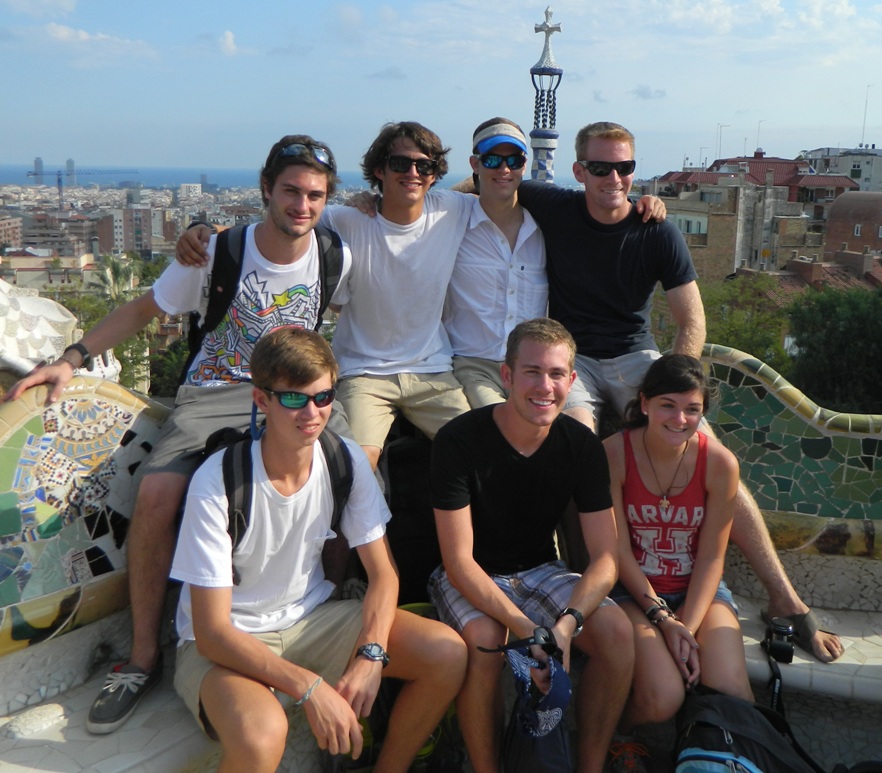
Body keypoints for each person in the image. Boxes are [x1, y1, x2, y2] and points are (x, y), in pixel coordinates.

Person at [4, 134, 355, 732]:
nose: (302, 205)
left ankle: (326, 609)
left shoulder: (333, 255)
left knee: (354, 473)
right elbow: (144, 310)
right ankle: (143, 655)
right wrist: (72, 357)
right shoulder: (219, 253)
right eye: (291, 191)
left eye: (315, 195)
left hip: (294, 395)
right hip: (216, 392)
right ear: (266, 189)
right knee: (159, 493)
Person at [518, 121, 843, 663]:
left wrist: (670, 387)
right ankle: (590, 596)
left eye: (624, 167)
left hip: (636, 356)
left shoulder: (656, 230)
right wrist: (383, 203)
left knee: (709, 453)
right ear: (579, 171)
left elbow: (691, 320)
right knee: (575, 448)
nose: (614, 178)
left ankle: (785, 598)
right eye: (600, 168)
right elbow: (483, 182)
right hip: (575, 359)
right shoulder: (556, 205)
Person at [170, 326, 466, 772]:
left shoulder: (342, 458)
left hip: (311, 619)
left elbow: (384, 575)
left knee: (447, 653)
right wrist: (309, 687)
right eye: (294, 399)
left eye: (323, 397)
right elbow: (211, 631)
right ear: (261, 400)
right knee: (261, 736)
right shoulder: (218, 483)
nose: (312, 413)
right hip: (229, 640)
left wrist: (371, 654)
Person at [181, 122, 474, 471]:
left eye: (424, 166)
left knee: (478, 453)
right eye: (400, 164)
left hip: (432, 370)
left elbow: (488, 183)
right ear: (379, 170)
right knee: (356, 465)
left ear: (435, 173)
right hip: (365, 372)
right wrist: (206, 231)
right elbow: (278, 229)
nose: (413, 173)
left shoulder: (451, 209)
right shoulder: (346, 219)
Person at [429, 318, 634, 773]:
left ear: (572, 381)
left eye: (557, 374)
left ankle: (589, 767)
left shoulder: (581, 446)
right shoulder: (458, 441)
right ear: (507, 376)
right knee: (487, 640)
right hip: (472, 572)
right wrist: (526, 629)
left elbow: (605, 559)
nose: (545, 386)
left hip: (541, 569)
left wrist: (566, 625)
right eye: (532, 372)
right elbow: (458, 561)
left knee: (619, 633)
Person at [603, 355, 753, 771]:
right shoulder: (614, 454)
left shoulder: (720, 463)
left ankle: (719, 758)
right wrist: (663, 619)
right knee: (662, 698)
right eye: (667, 405)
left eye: (692, 409)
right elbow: (616, 550)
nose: (680, 419)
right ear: (644, 403)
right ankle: (621, 733)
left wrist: (686, 626)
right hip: (634, 592)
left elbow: (712, 556)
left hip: (698, 589)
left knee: (730, 689)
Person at [442, 117, 548, 408]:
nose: (504, 169)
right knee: (499, 420)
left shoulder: (545, 227)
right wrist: (367, 202)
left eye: (514, 160)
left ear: (524, 165)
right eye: (492, 160)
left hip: (532, 367)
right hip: (473, 364)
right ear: (475, 164)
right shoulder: (452, 222)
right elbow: (405, 210)